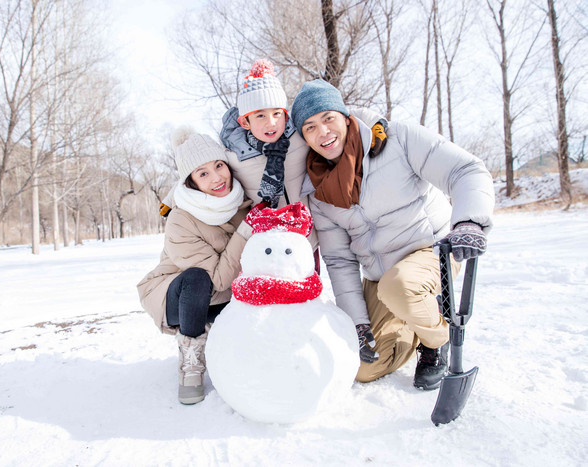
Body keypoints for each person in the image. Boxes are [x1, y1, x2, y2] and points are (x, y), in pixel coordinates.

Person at [290, 78, 494, 390]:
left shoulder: (398, 139)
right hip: (380, 278)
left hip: (430, 254)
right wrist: (358, 323)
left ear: (345, 117)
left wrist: (469, 222)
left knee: (399, 286)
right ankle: (417, 315)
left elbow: (464, 170)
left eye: (328, 118)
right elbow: (340, 260)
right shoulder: (318, 191)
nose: (323, 133)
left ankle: (436, 341)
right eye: (310, 127)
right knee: (363, 368)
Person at [137, 128, 262, 405]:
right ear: (191, 182)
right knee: (196, 279)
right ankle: (191, 359)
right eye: (203, 173)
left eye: (219, 166)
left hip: (225, 293)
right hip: (179, 294)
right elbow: (216, 280)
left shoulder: (241, 201)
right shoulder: (181, 219)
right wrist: (246, 230)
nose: (217, 178)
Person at [218, 60, 387, 255]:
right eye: (260, 116)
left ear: (285, 114)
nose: (271, 123)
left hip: (307, 241)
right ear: (245, 122)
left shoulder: (298, 137)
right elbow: (201, 169)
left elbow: (336, 112)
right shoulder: (235, 155)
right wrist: (172, 203)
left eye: (276, 113)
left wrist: (374, 122)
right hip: (267, 247)